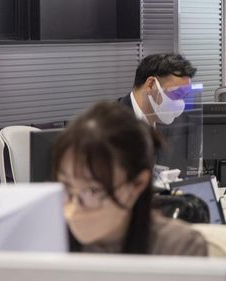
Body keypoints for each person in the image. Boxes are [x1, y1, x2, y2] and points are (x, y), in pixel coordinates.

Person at [52, 101, 208, 256]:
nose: (72, 211)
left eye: (92, 191)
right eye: (67, 189)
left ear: (137, 185)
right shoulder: (51, 241)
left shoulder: (179, 247)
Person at [119, 53, 196, 127]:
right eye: (177, 94)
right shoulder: (114, 123)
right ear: (151, 85)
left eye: (184, 96)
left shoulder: (168, 123)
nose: (181, 104)